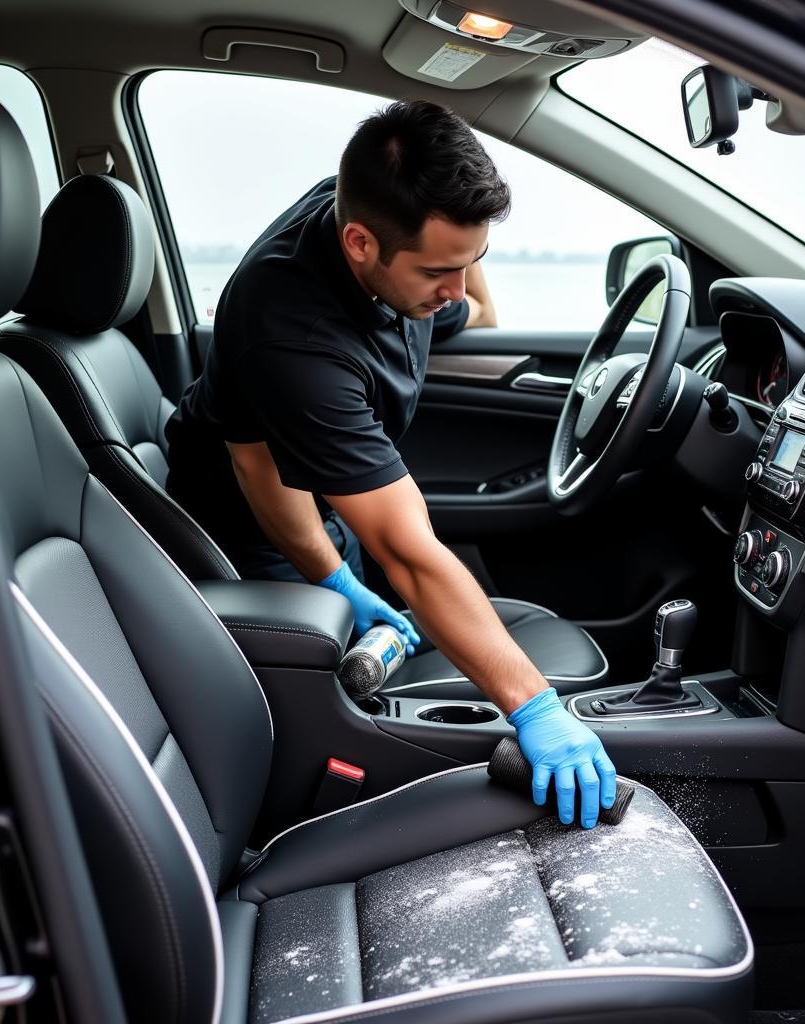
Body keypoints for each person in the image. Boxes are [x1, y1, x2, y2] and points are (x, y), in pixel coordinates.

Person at [165, 99, 616, 828]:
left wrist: (458, 267)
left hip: (302, 478)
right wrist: (536, 707)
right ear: (359, 244)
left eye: (474, 263)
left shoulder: (377, 217)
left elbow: (469, 307)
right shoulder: (293, 339)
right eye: (440, 271)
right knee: (336, 699)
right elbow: (260, 471)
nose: (456, 295)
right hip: (249, 523)